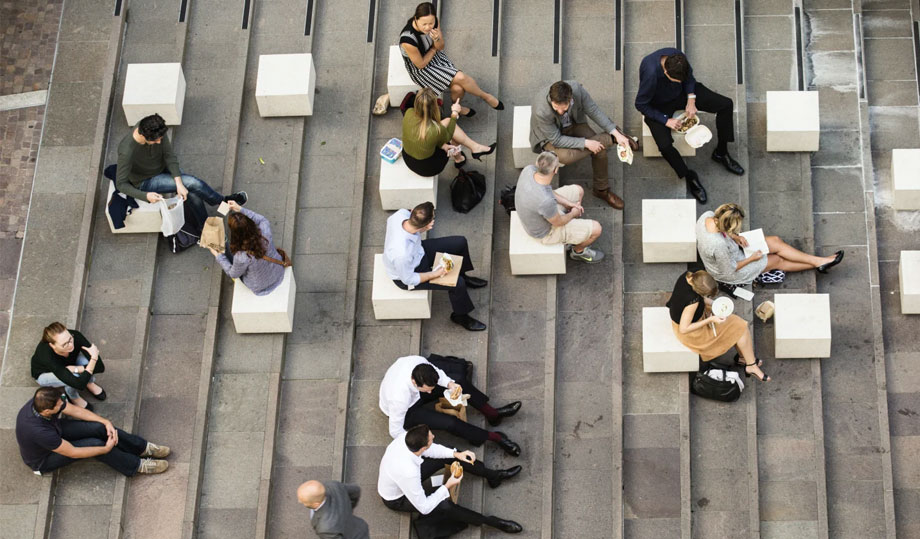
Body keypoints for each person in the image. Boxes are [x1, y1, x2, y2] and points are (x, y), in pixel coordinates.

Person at [635, 48, 745, 204]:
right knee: (665, 146)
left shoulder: (679, 59)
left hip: (681, 95)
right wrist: (667, 121)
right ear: (666, 72)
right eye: (676, 80)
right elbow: (641, 104)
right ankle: (688, 176)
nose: (680, 81)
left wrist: (691, 100)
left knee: (726, 104)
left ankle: (721, 152)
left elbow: (689, 79)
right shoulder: (651, 73)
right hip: (658, 106)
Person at [377, 424, 523, 535]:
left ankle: (493, 475)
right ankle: (491, 522)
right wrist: (448, 485)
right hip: (397, 499)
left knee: (450, 454)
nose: (433, 436)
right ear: (422, 447)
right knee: (444, 506)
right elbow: (424, 507)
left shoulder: (406, 438)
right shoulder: (409, 472)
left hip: (404, 477)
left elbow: (432, 449)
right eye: (430, 437)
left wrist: (456, 454)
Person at [379, 354, 522, 456]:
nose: (430, 393)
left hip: (415, 393)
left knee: (458, 380)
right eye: (428, 389)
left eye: (431, 388)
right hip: (407, 410)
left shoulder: (418, 362)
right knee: (450, 423)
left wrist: (450, 384)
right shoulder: (399, 398)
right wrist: (418, 442)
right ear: (415, 382)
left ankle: (492, 414)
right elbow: (395, 431)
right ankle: (495, 437)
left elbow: (438, 375)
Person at [15, 386, 170, 476]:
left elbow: (76, 411)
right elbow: (73, 452)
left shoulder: (41, 401)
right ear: (48, 411)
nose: (62, 404)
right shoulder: (39, 431)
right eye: (58, 405)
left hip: (56, 429)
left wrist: (105, 422)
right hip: (45, 458)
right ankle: (137, 465)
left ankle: (142, 447)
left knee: (98, 427)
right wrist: (105, 448)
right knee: (95, 444)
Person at [383, 202, 489, 331]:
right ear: (428, 225)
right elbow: (408, 279)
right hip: (411, 273)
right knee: (457, 283)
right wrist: (435, 274)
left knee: (460, 242)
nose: (434, 220)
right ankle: (460, 316)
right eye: (433, 218)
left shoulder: (401, 214)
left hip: (419, 252)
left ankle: (463, 275)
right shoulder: (402, 254)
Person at [530, 80, 634, 210]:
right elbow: (556, 139)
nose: (560, 111)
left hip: (574, 124)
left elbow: (593, 111)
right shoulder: (541, 110)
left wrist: (613, 132)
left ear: (570, 99)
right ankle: (609, 139)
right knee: (566, 157)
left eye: (564, 107)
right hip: (551, 137)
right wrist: (586, 143)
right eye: (556, 107)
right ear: (551, 100)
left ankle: (601, 190)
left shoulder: (577, 90)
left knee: (599, 150)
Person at [111, 113, 247, 209]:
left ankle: (203, 228)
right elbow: (121, 184)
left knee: (190, 192)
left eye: (161, 138)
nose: (160, 142)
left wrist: (178, 182)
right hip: (145, 181)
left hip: (161, 167)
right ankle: (223, 201)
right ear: (143, 135)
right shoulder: (126, 151)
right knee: (192, 183)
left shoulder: (154, 129)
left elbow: (169, 156)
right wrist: (145, 195)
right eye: (155, 140)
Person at [696, 203, 844, 285]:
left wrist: (735, 237)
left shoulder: (707, 216)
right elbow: (729, 269)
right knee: (777, 260)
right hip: (729, 269)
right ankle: (819, 263)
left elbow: (722, 231)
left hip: (731, 250)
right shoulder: (717, 244)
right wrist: (752, 258)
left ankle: (820, 262)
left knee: (775, 241)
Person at [399, 2, 504, 117]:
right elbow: (421, 64)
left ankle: (456, 106)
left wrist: (437, 39)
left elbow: (441, 46)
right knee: (461, 77)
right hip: (421, 71)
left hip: (435, 58)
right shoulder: (408, 39)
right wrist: (434, 49)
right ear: (416, 19)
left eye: (431, 23)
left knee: (458, 88)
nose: (428, 27)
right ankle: (485, 96)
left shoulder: (434, 23)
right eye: (424, 24)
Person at [667, 270, 770, 381]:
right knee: (740, 327)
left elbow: (701, 298)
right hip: (694, 333)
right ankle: (750, 365)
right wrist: (710, 319)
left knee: (737, 326)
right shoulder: (693, 301)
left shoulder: (689, 276)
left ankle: (745, 359)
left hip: (693, 316)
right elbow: (684, 329)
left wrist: (714, 303)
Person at [515, 151, 604, 263]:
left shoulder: (529, 170)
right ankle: (578, 251)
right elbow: (558, 222)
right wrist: (573, 213)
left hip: (539, 211)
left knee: (578, 191)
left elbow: (548, 191)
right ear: (555, 170)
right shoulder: (545, 201)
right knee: (596, 229)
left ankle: (574, 230)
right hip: (545, 232)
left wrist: (569, 203)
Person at [402, 88, 496, 176]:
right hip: (429, 166)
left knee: (447, 122)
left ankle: (470, 151)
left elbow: (427, 136)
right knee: (452, 135)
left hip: (408, 158)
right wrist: (454, 113)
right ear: (434, 106)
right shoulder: (436, 130)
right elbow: (449, 135)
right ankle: (462, 157)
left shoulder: (408, 113)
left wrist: (443, 145)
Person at [208, 201, 285, 295]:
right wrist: (240, 209)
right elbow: (262, 220)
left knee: (234, 265)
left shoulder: (241, 257)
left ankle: (223, 245)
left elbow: (233, 274)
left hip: (260, 286)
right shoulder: (265, 232)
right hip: (278, 271)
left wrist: (218, 255)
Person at [31, 322, 106, 411]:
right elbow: (79, 384)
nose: (70, 345)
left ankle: (89, 382)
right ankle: (73, 396)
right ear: (52, 345)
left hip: (69, 363)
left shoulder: (75, 335)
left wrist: (77, 368)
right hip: (45, 374)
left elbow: (100, 367)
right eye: (64, 344)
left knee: (86, 363)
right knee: (75, 375)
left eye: (70, 339)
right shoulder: (47, 356)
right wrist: (93, 359)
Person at [297, 480, 370, 539]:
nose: (299, 501)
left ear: (316, 504)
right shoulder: (333, 485)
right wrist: (347, 508)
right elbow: (355, 491)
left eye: (304, 501)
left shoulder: (326, 528)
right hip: (358, 525)